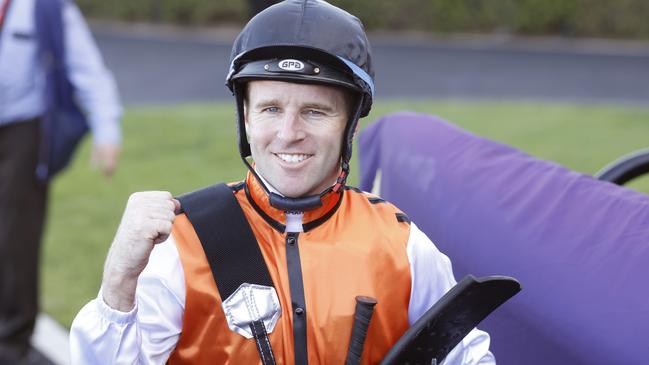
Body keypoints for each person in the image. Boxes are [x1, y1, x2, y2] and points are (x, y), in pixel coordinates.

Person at [70, 1, 493, 363]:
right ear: (246, 119)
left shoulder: (400, 244)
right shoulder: (183, 242)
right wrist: (119, 281)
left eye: (315, 111)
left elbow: (468, 356)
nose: (289, 133)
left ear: (351, 128)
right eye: (271, 108)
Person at [0, 0, 121, 363]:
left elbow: (86, 67)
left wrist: (107, 129)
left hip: (23, 129)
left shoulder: (46, 7)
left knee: (15, 237)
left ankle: (12, 344)